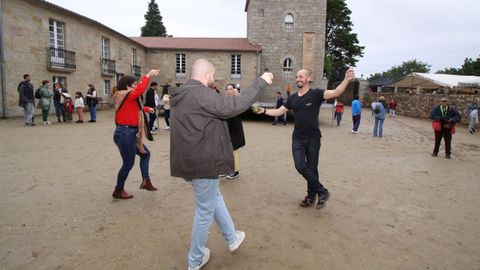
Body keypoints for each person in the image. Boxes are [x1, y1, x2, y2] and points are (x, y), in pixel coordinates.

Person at [169, 58, 273, 270]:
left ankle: (231, 237)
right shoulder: (200, 93)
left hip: (188, 162)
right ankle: (195, 260)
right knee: (204, 211)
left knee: (214, 198)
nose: (213, 79)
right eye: (213, 75)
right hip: (202, 164)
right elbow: (232, 106)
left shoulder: (182, 94)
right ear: (207, 75)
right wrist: (260, 82)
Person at [255, 68, 355, 209]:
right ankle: (323, 192)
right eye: (297, 77)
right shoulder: (293, 98)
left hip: (313, 138)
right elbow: (279, 111)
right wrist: (264, 110)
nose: (298, 79)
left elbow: (336, 92)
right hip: (298, 139)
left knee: (312, 169)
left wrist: (346, 80)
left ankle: (311, 196)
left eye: (301, 76)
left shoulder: (317, 94)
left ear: (309, 78)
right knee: (300, 166)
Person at [111, 69, 160, 199]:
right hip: (125, 133)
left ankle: (146, 181)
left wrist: (146, 109)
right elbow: (139, 91)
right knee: (128, 163)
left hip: (127, 133)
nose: (136, 86)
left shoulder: (126, 96)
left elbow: (134, 107)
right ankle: (118, 190)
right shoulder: (124, 94)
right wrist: (148, 75)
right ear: (127, 85)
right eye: (134, 84)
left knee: (145, 154)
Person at [225, 84, 245, 180]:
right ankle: (227, 169)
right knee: (226, 151)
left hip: (235, 129)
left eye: (231, 89)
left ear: (234, 90)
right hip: (226, 129)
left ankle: (235, 171)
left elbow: (242, 107)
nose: (229, 90)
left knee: (234, 151)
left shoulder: (236, 100)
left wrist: (238, 96)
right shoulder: (225, 100)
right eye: (227, 89)